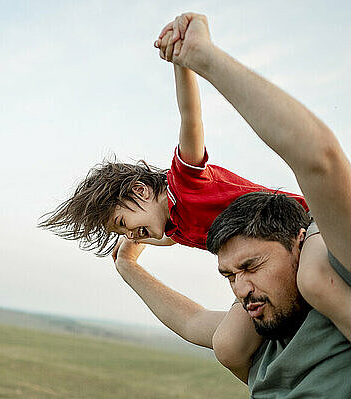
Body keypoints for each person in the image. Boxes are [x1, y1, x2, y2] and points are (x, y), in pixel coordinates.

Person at [111, 12, 351, 396]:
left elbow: (191, 119)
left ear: (141, 191)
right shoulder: (177, 228)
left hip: (306, 217)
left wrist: (188, 62)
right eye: (230, 275)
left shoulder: (184, 179)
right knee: (227, 346)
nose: (240, 287)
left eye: (127, 224)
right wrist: (129, 261)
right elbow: (194, 323)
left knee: (314, 279)